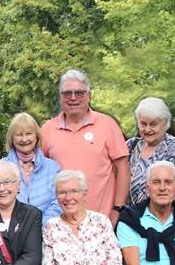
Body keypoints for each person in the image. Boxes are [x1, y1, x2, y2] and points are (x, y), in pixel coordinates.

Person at [41, 70, 129, 225]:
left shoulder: (107, 124)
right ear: (60, 97)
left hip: (101, 222)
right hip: (60, 225)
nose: (73, 98)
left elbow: (122, 170)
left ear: (89, 95)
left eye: (79, 93)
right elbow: (39, 174)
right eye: (67, 93)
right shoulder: (47, 129)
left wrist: (117, 210)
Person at [2, 112, 61, 224]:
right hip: (11, 232)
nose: (24, 139)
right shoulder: (2, 168)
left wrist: (39, 226)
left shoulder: (52, 168)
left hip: (45, 230)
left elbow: (57, 202)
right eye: (19, 135)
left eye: (29, 134)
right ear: (12, 138)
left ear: (37, 136)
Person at [126, 97, 175, 205]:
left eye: (153, 124)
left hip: (162, 214)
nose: (147, 129)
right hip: (131, 215)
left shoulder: (174, 146)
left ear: (165, 124)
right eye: (143, 124)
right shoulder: (131, 145)